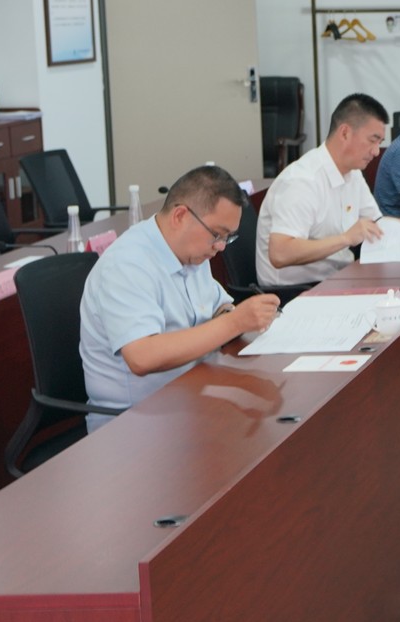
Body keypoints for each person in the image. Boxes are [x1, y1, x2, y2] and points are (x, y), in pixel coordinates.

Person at [79, 164, 280, 429]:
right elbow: (142, 357)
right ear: (180, 216)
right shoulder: (127, 265)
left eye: (227, 237)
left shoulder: (192, 251)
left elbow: (217, 307)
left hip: (191, 393)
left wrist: (235, 316)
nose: (220, 247)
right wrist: (235, 322)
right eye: (217, 234)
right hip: (132, 421)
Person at [258, 92, 400, 286]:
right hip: (294, 290)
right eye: (372, 140)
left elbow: (374, 225)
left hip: (337, 278)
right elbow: (280, 253)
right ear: (345, 133)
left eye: (379, 143)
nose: (376, 151)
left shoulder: (353, 173)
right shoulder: (302, 180)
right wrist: (345, 239)